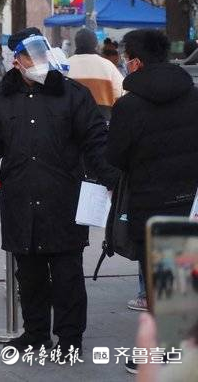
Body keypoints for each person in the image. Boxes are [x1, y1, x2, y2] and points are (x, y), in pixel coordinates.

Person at [0, 27, 116, 356]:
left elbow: (95, 140)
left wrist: (110, 178)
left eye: (41, 54)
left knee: (67, 275)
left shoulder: (73, 94)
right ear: (15, 61)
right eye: (29, 56)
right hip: (20, 199)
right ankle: (35, 334)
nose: (37, 61)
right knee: (29, 275)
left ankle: (70, 338)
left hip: (63, 198)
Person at [105, 29, 198, 374]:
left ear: (136, 62)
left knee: (157, 281)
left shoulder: (128, 106)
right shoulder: (194, 95)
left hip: (149, 202)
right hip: (190, 201)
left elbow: (115, 156)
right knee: (181, 276)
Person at [67, 29, 124, 121]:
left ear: (76, 43)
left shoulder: (65, 65)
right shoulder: (107, 66)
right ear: (95, 44)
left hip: (71, 120)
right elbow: (121, 93)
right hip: (101, 120)